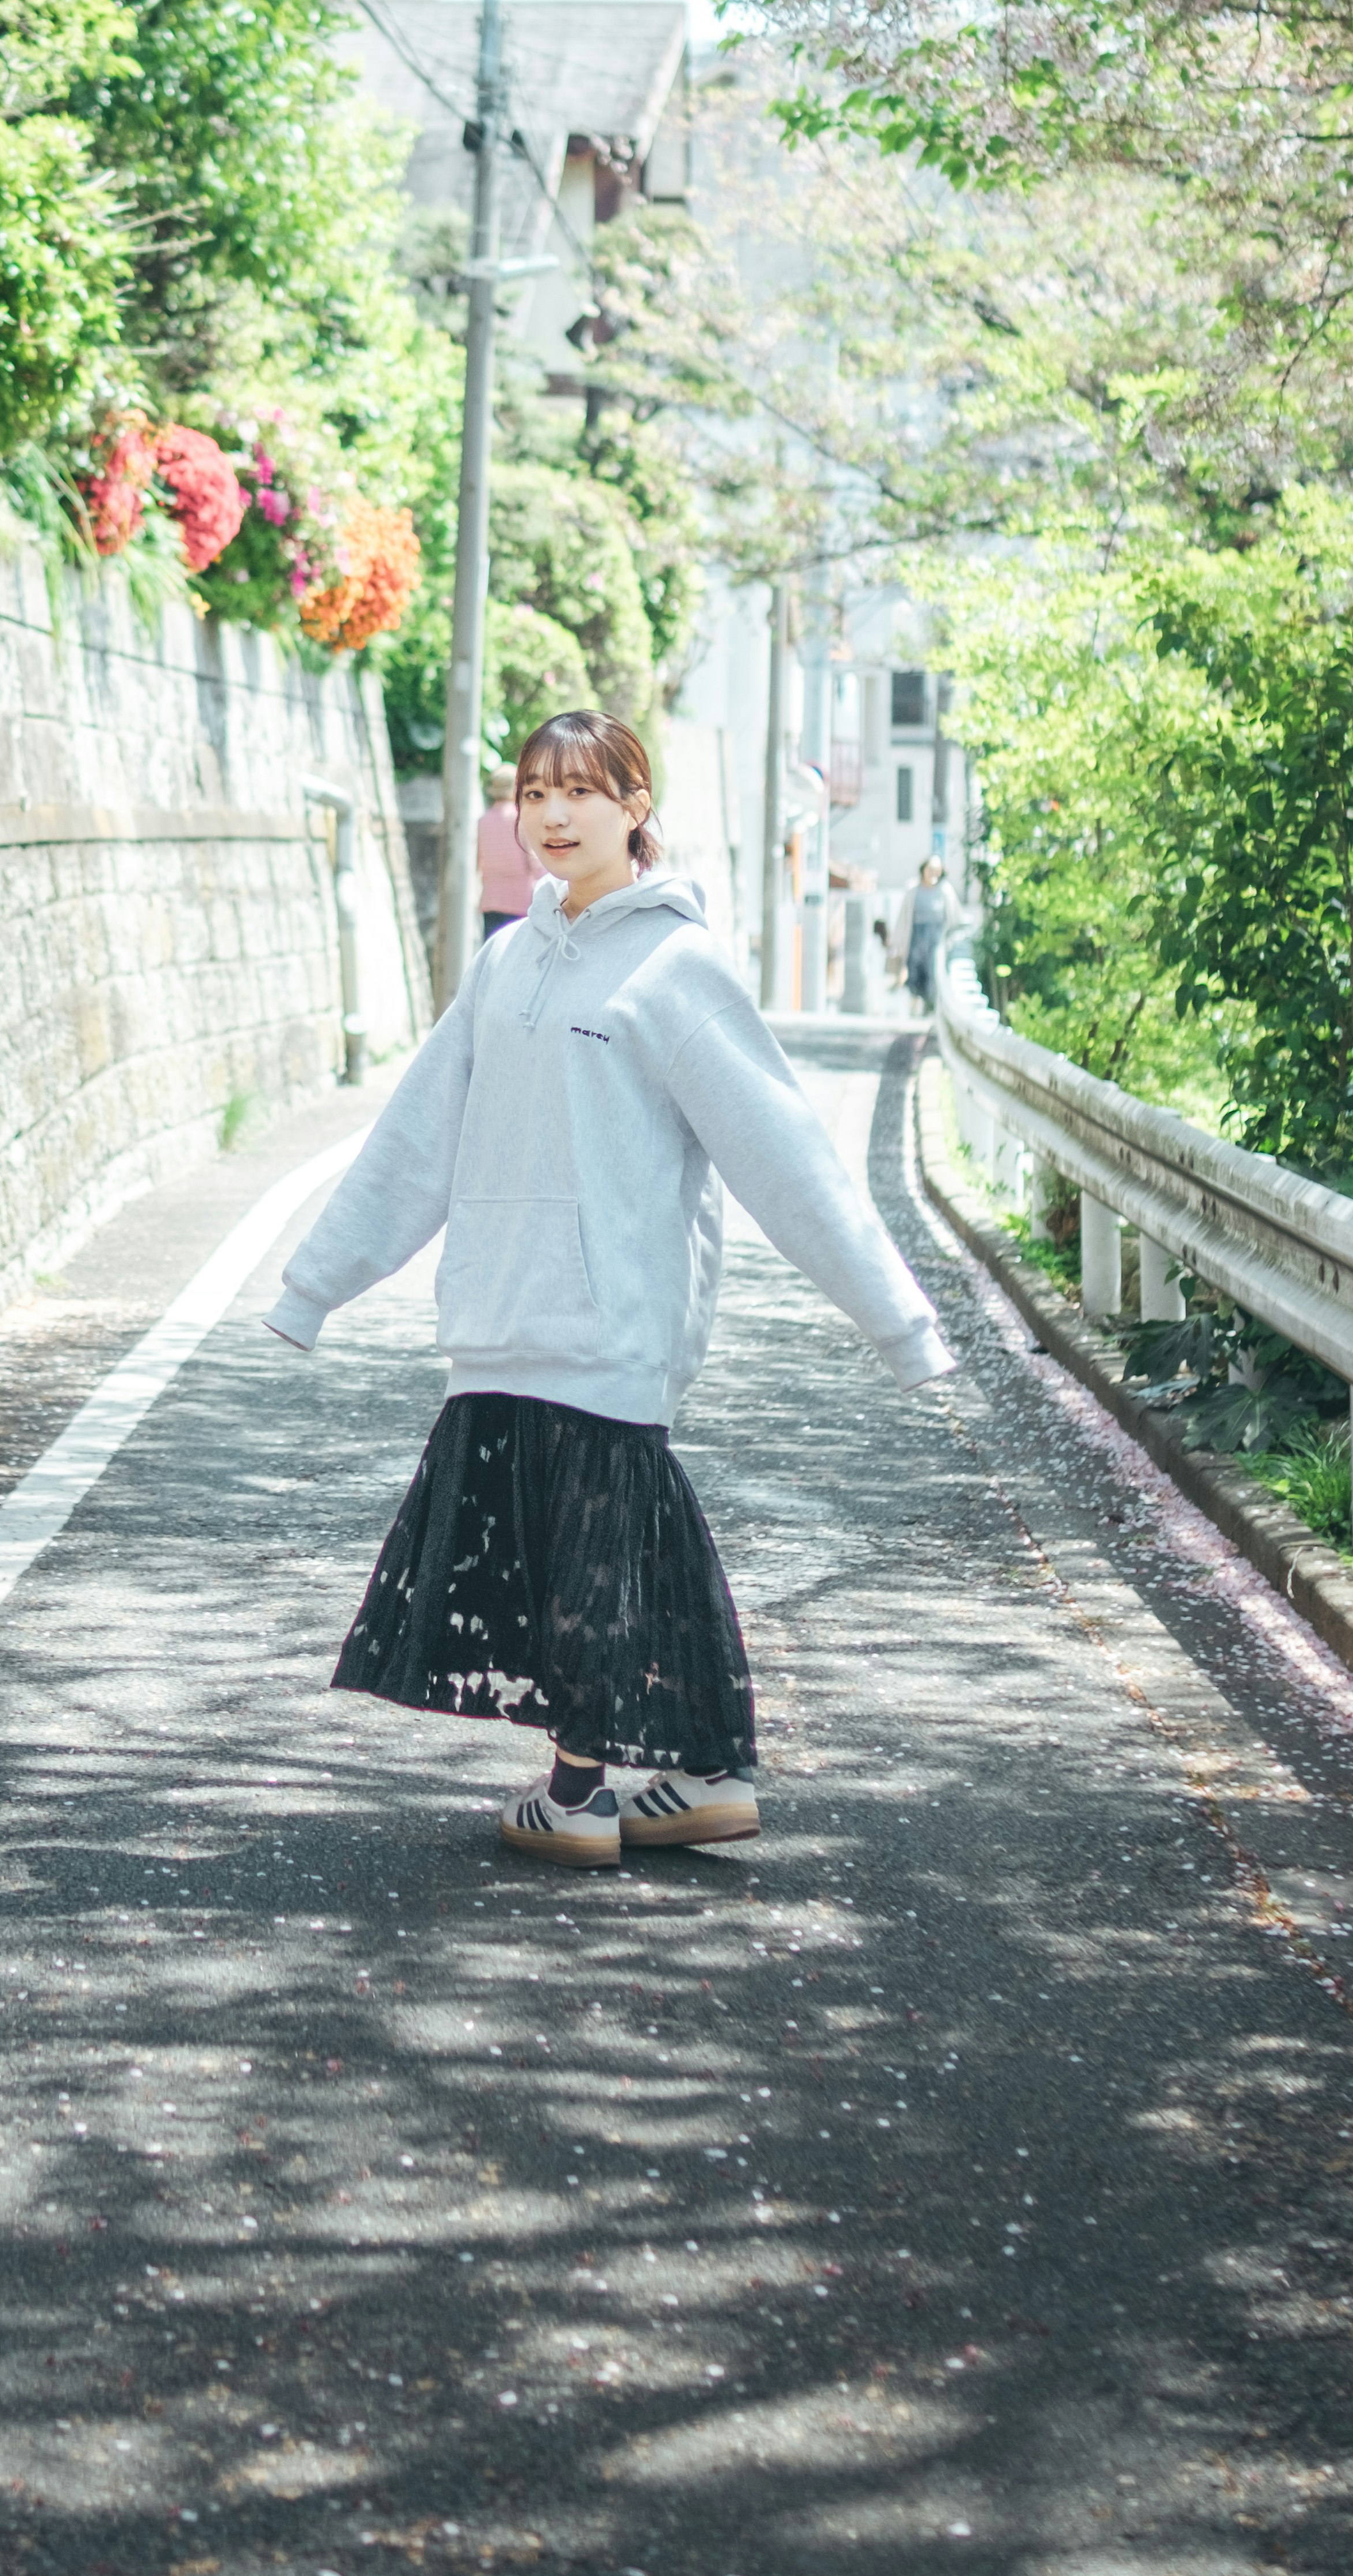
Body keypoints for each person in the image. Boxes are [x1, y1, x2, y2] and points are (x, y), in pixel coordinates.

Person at [263, 709, 956, 1872]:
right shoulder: (505, 963)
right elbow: (415, 1141)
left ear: (637, 807)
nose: (554, 815)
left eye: (583, 790)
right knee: (606, 1557)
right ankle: (710, 1778)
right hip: (498, 1327)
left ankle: (580, 1795)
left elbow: (784, 1155)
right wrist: (314, 1288)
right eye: (534, 793)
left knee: (596, 1558)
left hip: (612, 1327)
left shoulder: (676, 968)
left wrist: (902, 1323)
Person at [892, 854, 962, 1011]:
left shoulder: (945, 891)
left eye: (936, 870)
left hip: (936, 938)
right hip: (916, 937)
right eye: (930, 869)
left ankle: (931, 1006)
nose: (932, 873)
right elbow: (903, 918)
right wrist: (896, 943)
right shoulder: (913, 890)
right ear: (923, 870)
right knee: (915, 970)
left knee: (934, 971)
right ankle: (917, 1003)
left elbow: (955, 918)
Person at [475, 762, 536, 938]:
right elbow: (533, 860)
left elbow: (479, 862)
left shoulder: (483, 821)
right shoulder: (521, 818)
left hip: (490, 898)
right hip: (520, 898)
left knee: (494, 953)